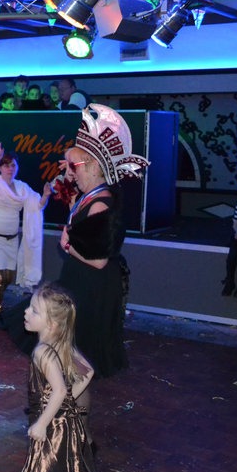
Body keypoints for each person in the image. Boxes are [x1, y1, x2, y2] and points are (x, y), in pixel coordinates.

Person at [0, 283, 96, 472]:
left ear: (51, 323)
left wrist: (42, 423)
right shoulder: (62, 344)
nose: (26, 312)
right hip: (66, 424)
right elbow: (88, 372)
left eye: (34, 311)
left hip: (52, 428)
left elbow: (59, 390)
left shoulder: (42, 352)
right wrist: (67, 404)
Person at [55, 104, 148, 378]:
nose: (71, 172)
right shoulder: (91, 196)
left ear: (94, 166)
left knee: (84, 354)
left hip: (94, 284)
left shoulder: (100, 203)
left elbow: (98, 261)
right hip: (84, 281)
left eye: (75, 166)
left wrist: (67, 245)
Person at [0, 144, 47, 317]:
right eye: (6, 165)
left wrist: (46, 195)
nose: (10, 168)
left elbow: (36, 205)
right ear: (0, 167)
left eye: (13, 165)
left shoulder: (22, 187)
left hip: (11, 239)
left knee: (7, 278)